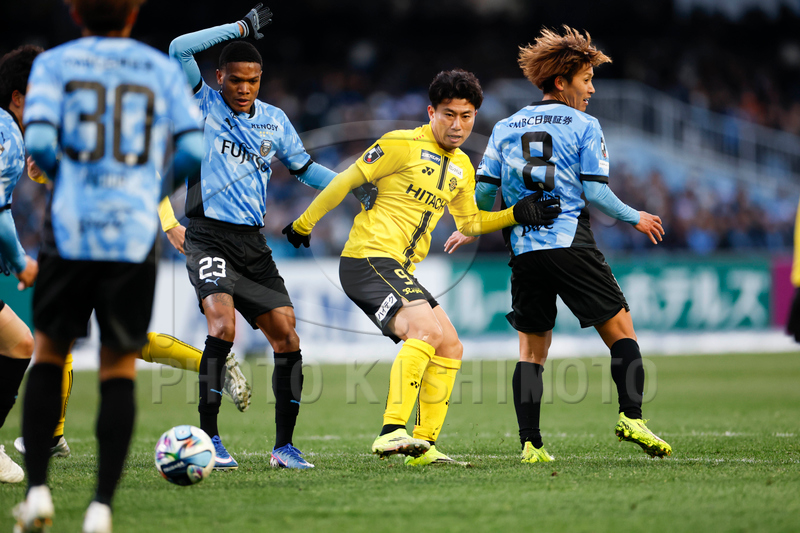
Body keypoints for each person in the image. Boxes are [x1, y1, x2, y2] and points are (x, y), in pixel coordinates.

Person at [283, 69, 560, 466]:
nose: (458, 125)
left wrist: (516, 213)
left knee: (450, 345)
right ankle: (390, 431)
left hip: (398, 269)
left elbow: (470, 223)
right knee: (426, 331)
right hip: (368, 258)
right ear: (431, 112)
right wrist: (303, 224)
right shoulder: (400, 144)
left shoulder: (462, 166)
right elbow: (345, 180)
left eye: (466, 116)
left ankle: (423, 445)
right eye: (449, 114)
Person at [13, 0, 204, 530]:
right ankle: (100, 507)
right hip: (131, 233)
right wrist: (146, 189)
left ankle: (38, 493)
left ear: (75, 12)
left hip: (70, 230)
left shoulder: (53, 65)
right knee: (118, 366)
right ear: (134, 12)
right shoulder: (157, 68)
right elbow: (192, 149)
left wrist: (71, 179)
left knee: (50, 353)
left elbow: (41, 142)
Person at [445, 26, 671, 463]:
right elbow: (596, 192)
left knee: (531, 351)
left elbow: (483, 195)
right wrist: (636, 217)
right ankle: (631, 416)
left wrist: (470, 227)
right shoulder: (584, 125)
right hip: (569, 242)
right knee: (622, 332)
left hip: (523, 251)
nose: (591, 89)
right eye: (587, 79)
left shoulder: (505, 127)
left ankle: (531, 444)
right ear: (562, 81)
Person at [168, 4, 375, 470]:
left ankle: (283, 448)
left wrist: (350, 185)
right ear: (219, 77)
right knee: (223, 327)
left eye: (253, 81)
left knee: (288, 338)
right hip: (207, 236)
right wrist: (240, 27)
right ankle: (209, 438)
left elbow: (305, 169)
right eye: (235, 80)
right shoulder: (202, 103)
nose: (244, 88)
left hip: (252, 244)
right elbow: (179, 48)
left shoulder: (275, 121)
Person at [0, 44, 41, 485]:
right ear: (18, 98)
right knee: (18, 344)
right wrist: (20, 261)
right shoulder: (8, 136)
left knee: (17, 342)